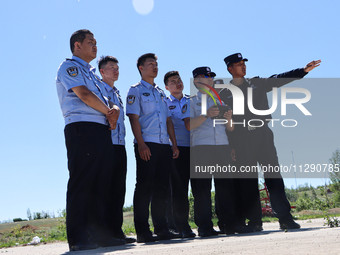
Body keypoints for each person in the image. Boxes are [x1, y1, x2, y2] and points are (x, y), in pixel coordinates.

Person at [219, 53, 321, 231]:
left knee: (273, 177)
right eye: (239, 64)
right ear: (230, 69)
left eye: (244, 63)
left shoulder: (257, 83)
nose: (243, 66)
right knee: (248, 182)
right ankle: (255, 222)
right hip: (242, 140)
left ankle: (285, 218)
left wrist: (303, 71)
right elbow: (225, 123)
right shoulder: (225, 93)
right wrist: (232, 146)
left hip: (263, 136)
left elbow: (278, 79)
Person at [56, 29, 125, 251]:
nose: (95, 46)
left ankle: (99, 235)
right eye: (90, 42)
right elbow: (84, 94)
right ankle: (78, 237)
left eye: (96, 42)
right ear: (77, 46)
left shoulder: (94, 74)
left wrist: (112, 109)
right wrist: (108, 111)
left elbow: (106, 99)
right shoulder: (69, 67)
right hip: (82, 128)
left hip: (101, 129)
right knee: (83, 181)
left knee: (101, 184)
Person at [189, 67, 251, 236]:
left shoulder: (220, 101)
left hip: (222, 147)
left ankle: (229, 225)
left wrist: (229, 119)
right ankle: (205, 227)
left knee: (225, 187)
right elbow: (188, 125)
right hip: (202, 147)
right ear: (196, 81)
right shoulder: (192, 101)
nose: (210, 79)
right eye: (206, 76)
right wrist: (206, 115)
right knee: (202, 189)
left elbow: (230, 129)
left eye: (211, 76)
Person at [126, 53, 180, 243]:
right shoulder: (136, 91)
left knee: (162, 189)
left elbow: (168, 120)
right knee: (144, 188)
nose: (155, 67)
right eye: (150, 64)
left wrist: (173, 143)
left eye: (156, 64)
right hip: (146, 144)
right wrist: (140, 143)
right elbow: (133, 118)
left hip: (164, 145)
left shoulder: (160, 93)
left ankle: (162, 229)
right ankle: (142, 231)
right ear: (141, 68)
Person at [98, 55, 136, 244]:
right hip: (106, 144)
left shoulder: (117, 93)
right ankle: (104, 233)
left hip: (120, 145)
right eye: (111, 67)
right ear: (102, 71)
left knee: (118, 190)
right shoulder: (98, 89)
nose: (116, 70)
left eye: (117, 68)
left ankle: (116, 231)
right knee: (105, 190)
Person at [164, 71, 196, 238]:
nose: (178, 83)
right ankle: (181, 226)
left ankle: (203, 223)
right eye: (173, 81)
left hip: (196, 148)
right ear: (166, 87)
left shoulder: (192, 100)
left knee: (198, 189)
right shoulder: (164, 102)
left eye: (179, 80)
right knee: (179, 190)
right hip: (177, 150)